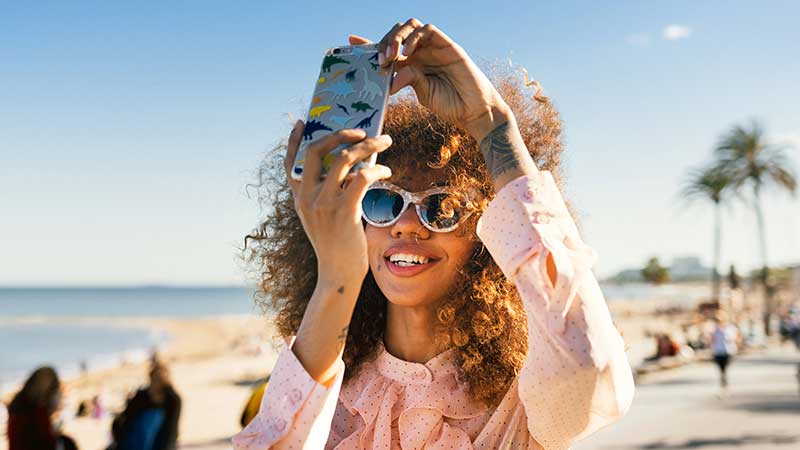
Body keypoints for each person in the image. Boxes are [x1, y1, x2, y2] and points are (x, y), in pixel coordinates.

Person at [235, 19, 634, 449]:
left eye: (441, 208)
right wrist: (337, 279)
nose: (406, 223)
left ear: (490, 233)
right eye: (381, 201)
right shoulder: (327, 392)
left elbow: (588, 364)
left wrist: (494, 126)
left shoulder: (524, 397)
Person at [108, 360, 181, 450]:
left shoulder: (173, 400)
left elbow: (171, 431)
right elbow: (123, 419)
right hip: (131, 443)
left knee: (154, 416)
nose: (156, 384)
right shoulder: (141, 396)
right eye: (154, 380)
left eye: (160, 381)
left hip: (159, 444)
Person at [6, 366, 79, 450]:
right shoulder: (36, 412)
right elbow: (46, 443)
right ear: (48, 391)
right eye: (56, 390)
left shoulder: (20, 406)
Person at [710, 312, 739, 393]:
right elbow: (712, 340)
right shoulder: (715, 329)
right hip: (718, 351)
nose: (720, 321)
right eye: (718, 320)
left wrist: (734, 343)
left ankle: (724, 379)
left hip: (728, 351)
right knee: (720, 368)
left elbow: (736, 337)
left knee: (725, 367)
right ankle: (723, 379)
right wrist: (712, 349)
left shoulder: (730, 328)